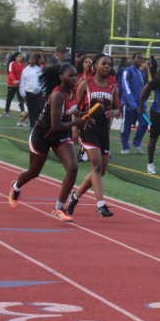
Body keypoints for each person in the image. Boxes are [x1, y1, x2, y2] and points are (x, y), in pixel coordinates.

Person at [7, 63, 90, 222]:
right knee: (34, 172)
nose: (75, 78)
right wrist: (76, 123)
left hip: (60, 136)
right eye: (70, 75)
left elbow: (71, 110)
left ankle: (58, 207)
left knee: (73, 167)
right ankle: (16, 186)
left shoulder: (73, 91)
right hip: (42, 136)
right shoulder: (57, 95)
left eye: (75, 75)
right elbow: (55, 125)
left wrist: (81, 114)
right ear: (61, 77)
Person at [67, 53, 120, 217]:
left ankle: (75, 196)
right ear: (95, 66)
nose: (107, 67)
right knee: (96, 165)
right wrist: (75, 129)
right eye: (104, 63)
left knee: (101, 171)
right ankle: (100, 205)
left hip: (103, 131)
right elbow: (75, 109)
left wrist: (114, 112)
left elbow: (118, 109)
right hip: (87, 129)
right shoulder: (85, 84)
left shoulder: (113, 87)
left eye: (109, 64)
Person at [119, 52, 149, 154]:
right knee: (126, 124)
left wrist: (142, 102)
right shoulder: (127, 71)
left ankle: (136, 143)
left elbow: (142, 88)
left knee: (145, 121)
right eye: (138, 58)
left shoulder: (141, 72)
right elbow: (126, 87)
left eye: (141, 58)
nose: (140, 60)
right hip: (128, 103)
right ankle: (125, 146)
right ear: (133, 59)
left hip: (140, 104)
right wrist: (132, 103)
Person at [19, 53, 45, 128]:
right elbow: (22, 83)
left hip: (39, 94)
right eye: (30, 58)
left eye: (33, 58)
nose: (32, 60)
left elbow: (43, 81)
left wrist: (44, 91)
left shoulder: (39, 69)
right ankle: (32, 127)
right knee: (31, 111)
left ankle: (42, 125)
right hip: (29, 94)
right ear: (28, 60)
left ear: (35, 60)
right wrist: (23, 94)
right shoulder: (25, 70)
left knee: (42, 109)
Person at [4, 52, 26, 118]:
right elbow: (11, 73)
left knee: (20, 98)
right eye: (19, 56)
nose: (21, 57)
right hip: (11, 84)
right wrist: (14, 80)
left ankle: (22, 112)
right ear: (15, 57)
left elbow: (24, 74)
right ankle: (6, 111)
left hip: (19, 85)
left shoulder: (22, 64)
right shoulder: (12, 63)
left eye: (21, 56)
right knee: (9, 98)